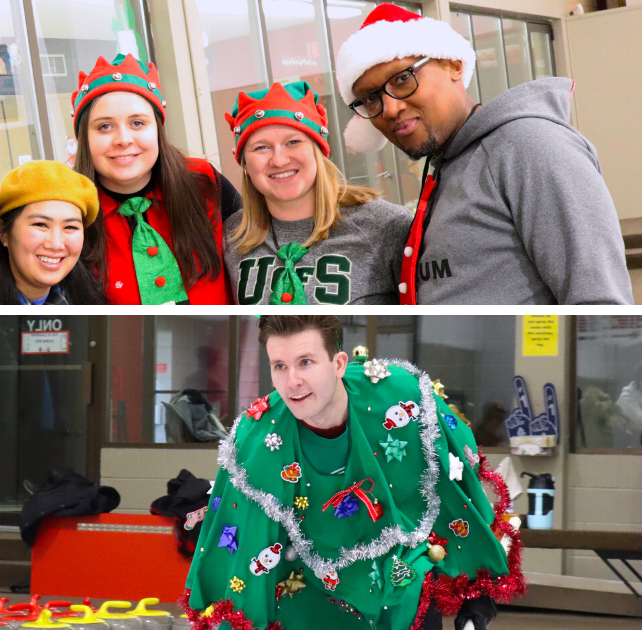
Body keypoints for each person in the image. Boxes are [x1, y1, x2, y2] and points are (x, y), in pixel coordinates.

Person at [182, 315, 523, 630]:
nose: (292, 382)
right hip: (306, 603)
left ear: (339, 363)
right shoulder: (256, 442)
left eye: (305, 362)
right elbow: (243, 552)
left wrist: (478, 586)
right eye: (279, 366)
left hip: (402, 587)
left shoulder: (402, 399)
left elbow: (451, 485)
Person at [336, 3, 631, 305]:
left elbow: (600, 303)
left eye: (402, 79)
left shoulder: (528, 146)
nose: (390, 108)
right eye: (371, 99)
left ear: (453, 64)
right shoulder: (450, 164)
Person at [222, 82, 412, 305]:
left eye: (293, 142)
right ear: (245, 163)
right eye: (261, 148)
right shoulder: (231, 237)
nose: (279, 160)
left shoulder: (386, 226)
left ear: (319, 151)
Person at [71, 54, 238, 305]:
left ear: (158, 130)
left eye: (137, 123)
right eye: (104, 127)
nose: (123, 139)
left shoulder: (204, 183)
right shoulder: (69, 213)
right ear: (84, 139)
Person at [0, 160, 106, 304]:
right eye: (41, 224)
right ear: (3, 232)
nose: (56, 244)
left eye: (70, 227)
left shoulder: (87, 292)